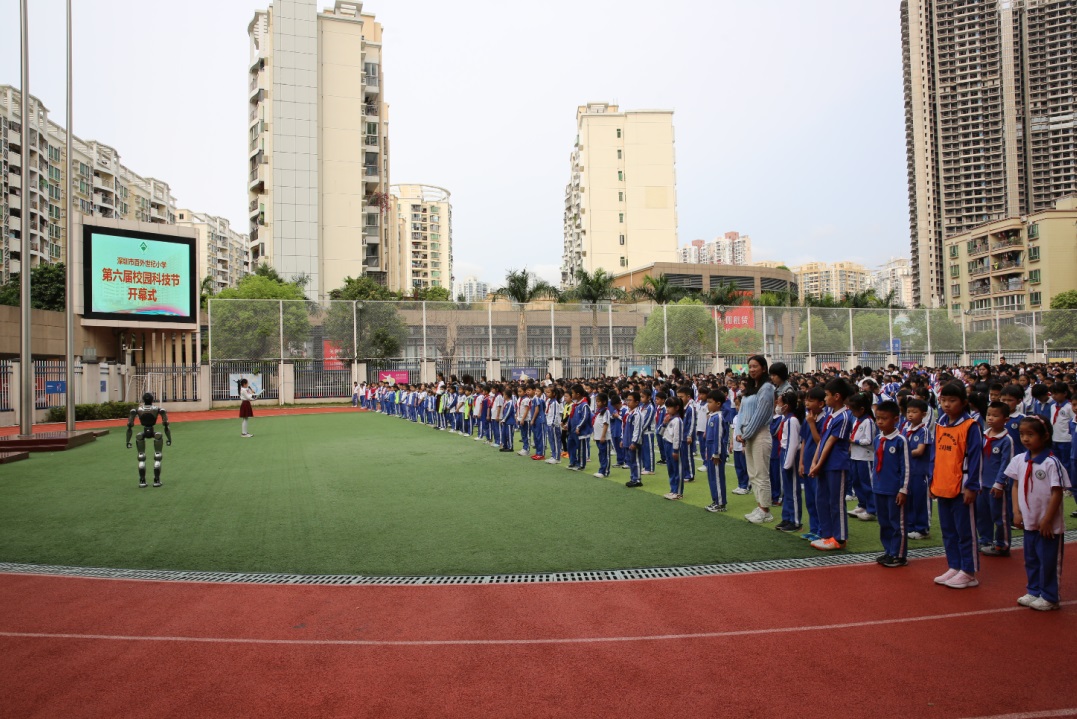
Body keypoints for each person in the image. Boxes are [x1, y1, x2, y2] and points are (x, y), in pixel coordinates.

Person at [1005, 415, 1070, 611]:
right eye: (1022, 434)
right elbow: (1015, 486)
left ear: (1045, 436)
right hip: (1029, 520)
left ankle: (1050, 596)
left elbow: (1057, 492)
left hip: (1048, 524)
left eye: (1030, 434)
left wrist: (1048, 519)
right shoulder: (1019, 459)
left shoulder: (1051, 463)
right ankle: (1034, 590)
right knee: (1031, 558)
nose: (1025, 439)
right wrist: (1016, 511)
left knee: (1048, 560)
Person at [930, 382, 984, 590]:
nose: (947, 404)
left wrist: (972, 486)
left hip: (962, 486)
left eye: (952, 400)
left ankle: (969, 571)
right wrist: (932, 480)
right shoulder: (940, 423)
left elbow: (976, 458)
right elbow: (935, 454)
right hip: (943, 483)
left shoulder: (971, 426)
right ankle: (954, 565)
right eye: (943, 400)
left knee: (965, 531)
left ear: (963, 402)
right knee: (948, 529)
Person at [808, 378, 855, 551]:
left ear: (837, 396)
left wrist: (818, 463)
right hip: (824, 464)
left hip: (836, 464)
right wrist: (814, 461)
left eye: (827, 395)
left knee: (836, 501)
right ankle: (827, 534)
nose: (825, 398)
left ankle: (839, 538)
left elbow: (831, 442)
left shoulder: (844, 416)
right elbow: (822, 440)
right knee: (822, 499)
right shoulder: (830, 415)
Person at [871, 401, 910, 568]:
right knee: (884, 522)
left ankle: (899, 555)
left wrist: (903, 489)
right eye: (878, 418)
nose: (880, 422)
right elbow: (875, 464)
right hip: (879, 487)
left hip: (894, 489)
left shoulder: (900, 440)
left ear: (895, 419)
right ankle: (888, 551)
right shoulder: (878, 439)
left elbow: (906, 467)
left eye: (884, 418)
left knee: (897, 523)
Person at [738, 356, 776, 523]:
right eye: (750, 366)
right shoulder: (751, 388)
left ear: (764, 368)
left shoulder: (767, 388)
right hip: (748, 435)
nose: (752, 369)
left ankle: (765, 510)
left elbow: (760, 416)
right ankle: (760, 505)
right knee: (753, 473)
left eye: (755, 366)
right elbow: (741, 412)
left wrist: (745, 435)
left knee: (761, 473)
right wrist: (739, 431)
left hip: (760, 434)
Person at [980, 401, 1016, 557]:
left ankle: (1003, 544)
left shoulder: (1006, 440)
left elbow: (1006, 463)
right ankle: (985, 540)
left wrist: (1000, 483)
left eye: (995, 416)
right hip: (981, 483)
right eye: (988, 414)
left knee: (999, 516)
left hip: (996, 485)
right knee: (982, 514)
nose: (990, 418)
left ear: (1005, 419)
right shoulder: (983, 436)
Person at [126, 392, 172, 488]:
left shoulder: (138, 410)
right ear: (152, 399)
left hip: (142, 434)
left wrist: (128, 441)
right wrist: (169, 438)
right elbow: (166, 425)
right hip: (155, 433)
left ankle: (142, 480)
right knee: (158, 455)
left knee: (141, 456)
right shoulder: (157, 409)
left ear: (143, 400)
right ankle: (156, 480)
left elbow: (129, 426)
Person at [904, 399, 933, 540]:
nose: (910, 415)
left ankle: (923, 528)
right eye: (908, 412)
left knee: (921, 500)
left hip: (920, 472)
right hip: (908, 472)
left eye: (914, 412)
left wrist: (903, 453)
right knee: (908, 499)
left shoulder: (924, 431)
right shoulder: (905, 429)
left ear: (923, 414)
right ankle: (910, 526)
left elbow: (920, 450)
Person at [847, 393, 878, 522]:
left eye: (854, 410)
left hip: (866, 457)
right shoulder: (857, 420)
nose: (852, 412)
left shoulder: (868, 421)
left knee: (867, 484)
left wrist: (854, 441)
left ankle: (872, 509)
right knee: (857, 482)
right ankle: (862, 504)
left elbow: (869, 441)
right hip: (855, 455)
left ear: (862, 409)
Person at [775, 390, 803, 532]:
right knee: (786, 489)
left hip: (789, 455)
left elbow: (793, 443)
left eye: (779, 402)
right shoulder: (785, 419)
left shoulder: (792, 420)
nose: (777, 405)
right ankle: (787, 517)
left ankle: (795, 520)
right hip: (784, 453)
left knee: (793, 489)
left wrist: (788, 463)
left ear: (786, 406)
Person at [703, 389, 727, 512]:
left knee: (717, 477)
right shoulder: (712, 416)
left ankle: (721, 503)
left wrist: (716, 453)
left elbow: (718, 436)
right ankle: (715, 500)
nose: (708, 404)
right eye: (707, 402)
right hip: (710, 450)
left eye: (710, 402)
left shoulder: (718, 417)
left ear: (718, 404)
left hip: (716, 452)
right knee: (711, 477)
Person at [661, 397, 684, 500]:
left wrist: (675, 450)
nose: (667, 409)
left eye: (670, 407)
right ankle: (673, 489)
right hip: (667, 444)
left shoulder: (678, 421)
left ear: (677, 408)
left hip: (674, 447)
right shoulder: (669, 419)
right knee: (670, 469)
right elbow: (660, 432)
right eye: (667, 407)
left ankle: (678, 492)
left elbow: (677, 437)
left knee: (677, 469)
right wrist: (664, 423)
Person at [623, 391, 644, 487]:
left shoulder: (637, 414)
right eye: (627, 400)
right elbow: (625, 428)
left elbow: (638, 429)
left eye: (630, 400)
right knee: (631, 461)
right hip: (628, 440)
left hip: (634, 442)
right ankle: (633, 478)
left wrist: (634, 442)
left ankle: (637, 479)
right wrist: (623, 439)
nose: (628, 402)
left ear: (636, 402)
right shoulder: (629, 413)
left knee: (636, 461)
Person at [592, 393, 611, 478]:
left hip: (604, 438)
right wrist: (595, 436)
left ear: (604, 402)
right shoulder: (599, 412)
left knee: (605, 454)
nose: (597, 403)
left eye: (599, 401)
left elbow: (605, 424)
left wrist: (603, 436)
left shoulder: (606, 411)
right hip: (598, 437)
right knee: (601, 454)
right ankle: (601, 469)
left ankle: (605, 471)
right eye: (596, 401)